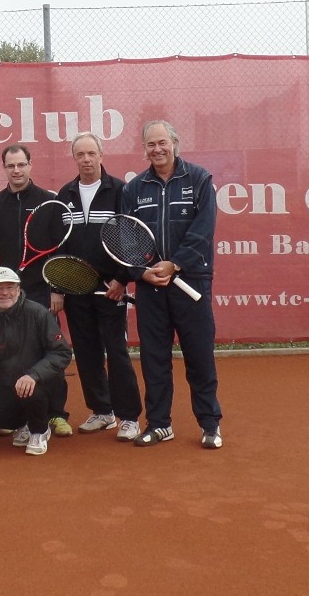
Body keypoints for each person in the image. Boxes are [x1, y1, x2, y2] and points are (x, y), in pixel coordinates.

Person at [122, 120, 223, 449]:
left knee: (199, 356)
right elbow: (127, 238)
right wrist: (142, 272)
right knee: (153, 358)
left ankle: (210, 424)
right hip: (151, 287)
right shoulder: (134, 189)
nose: (157, 149)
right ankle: (160, 424)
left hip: (191, 282)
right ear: (145, 149)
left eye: (162, 142)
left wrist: (175, 263)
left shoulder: (199, 179)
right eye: (151, 144)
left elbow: (203, 229)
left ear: (175, 143)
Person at [52, 133, 142, 442]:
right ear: (74, 158)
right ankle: (102, 411)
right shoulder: (65, 194)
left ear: (101, 155)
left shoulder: (120, 191)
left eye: (91, 153)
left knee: (116, 351)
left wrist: (121, 278)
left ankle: (129, 416)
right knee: (87, 352)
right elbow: (58, 246)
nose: (87, 159)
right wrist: (59, 287)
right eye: (81, 154)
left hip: (111, 290)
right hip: (76, 290)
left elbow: (131, 239)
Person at [0, 144, 72, 438]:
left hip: (41, 291)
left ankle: (56, 414)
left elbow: (60, 251)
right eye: (11, 166)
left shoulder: (49, 202)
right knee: (6, 356)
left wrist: (57, 289)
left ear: (31, 165)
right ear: (4, 168)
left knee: (49, 352)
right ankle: (15, 414)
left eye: (21, 165)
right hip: (6, 294)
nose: (16, 171)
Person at [0, 267, 72, 458]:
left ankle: (39, 430)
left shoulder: (38, 313)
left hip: (44, 384)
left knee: (30, 388)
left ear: (18, 289)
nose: (5, 293)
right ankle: (24, 424)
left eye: (10, 287)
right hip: (8, 386)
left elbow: (61, 352)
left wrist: (34, 374)